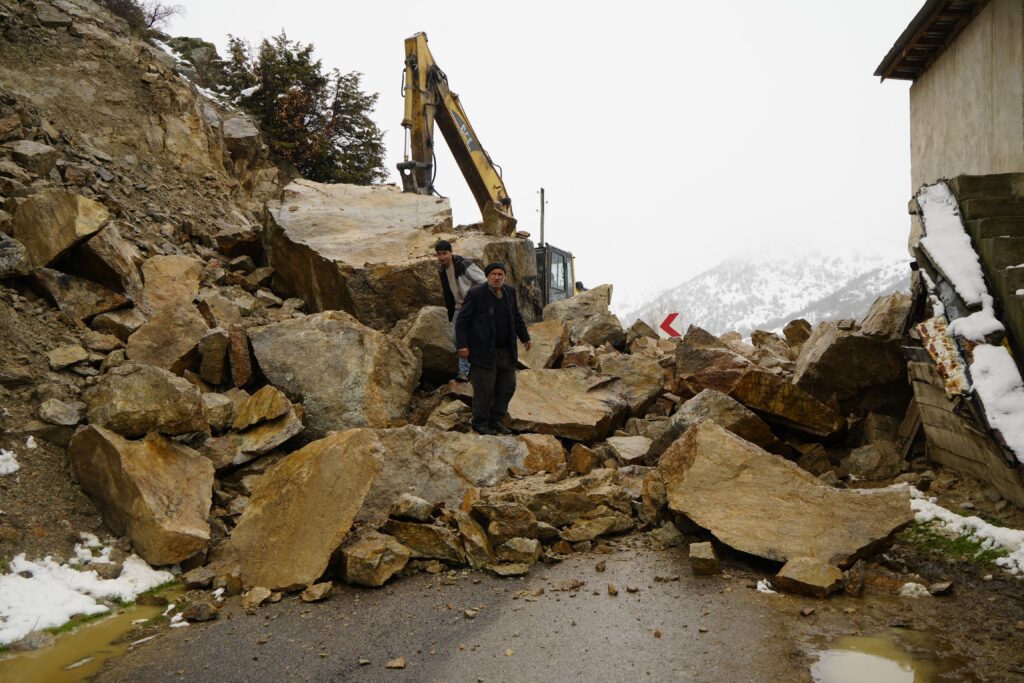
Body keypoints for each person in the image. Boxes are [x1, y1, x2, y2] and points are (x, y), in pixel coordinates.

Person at [455, 262, 532, 435]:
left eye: (500, 274)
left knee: (508, 386)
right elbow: (462, 322)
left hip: (506, 351)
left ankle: (496, 420)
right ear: (487, 276)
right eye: (493, 274)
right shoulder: (476, 294)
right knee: (484, 389)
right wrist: (462, 345)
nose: (497, 277)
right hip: (483, 351)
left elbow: (516, 316)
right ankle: (480, 422)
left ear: (504, 276)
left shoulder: (509, 292)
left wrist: (525, 337)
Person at [435, 239, 486, 382]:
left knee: (477, 337)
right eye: (439, 254)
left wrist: (472, 297)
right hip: (459, 308)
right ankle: (465, 370)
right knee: (457, 338)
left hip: (473, 306)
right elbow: (448, 293)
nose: (442, 257)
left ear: (451, 252)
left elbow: (483, 280)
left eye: (445, 253)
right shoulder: (442, 270)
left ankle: (469, 370)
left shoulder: (463, 264)